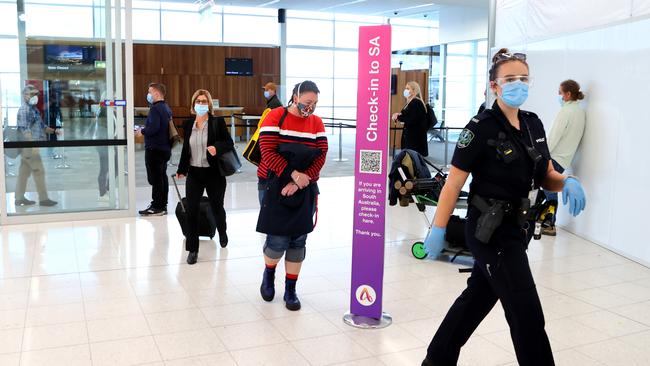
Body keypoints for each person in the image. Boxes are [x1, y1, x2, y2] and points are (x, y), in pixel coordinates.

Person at [420, 49, 587, 366]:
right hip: (490, 232)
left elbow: (545, 174)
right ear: (494, 86)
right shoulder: (480, 128)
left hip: (518, 228)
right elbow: (454, 184)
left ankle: (436, 360)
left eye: (523, 78)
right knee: (527, 315)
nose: (518, 85)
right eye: (510, 79)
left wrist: (567, 181)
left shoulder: (533, 124)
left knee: (476, 299)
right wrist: (438, 229)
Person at [257, 80, 328, 311]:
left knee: (298, 241)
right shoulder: (275, 116)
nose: (311, 107)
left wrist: (300, 181)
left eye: (315, 103)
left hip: (304, 187)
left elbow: (321, 155)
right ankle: (269, 275)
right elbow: (266, 151)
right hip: (275, 184)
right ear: (295, 97)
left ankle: (290, 289)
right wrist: (292, 175)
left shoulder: (316, 123)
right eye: (308, 102)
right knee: (277, 241)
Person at [175, 89, 233, 265]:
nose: (201, 104)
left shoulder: (217, 123)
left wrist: (217, 147)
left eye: (204, 101)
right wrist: (181, 169)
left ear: (209, 104)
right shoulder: (188, 124)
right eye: (198, 101)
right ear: (193, 105)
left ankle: (222, 232)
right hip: (194, 173)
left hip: (213, 173)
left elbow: (229, 143)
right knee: (191, 211)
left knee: (217, 207)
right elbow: (186, 149)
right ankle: (193, 249)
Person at [541, 79, 586, 236]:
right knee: (547, 189)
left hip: (554, 157)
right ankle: (546, 220)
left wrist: (542, 155)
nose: (558, 95)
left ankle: (549, 223)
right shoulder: (580, 112)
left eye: (560, 93)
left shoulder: (565, 112)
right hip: (565, 158)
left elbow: (553, 137)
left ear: (568, 94)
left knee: (548, 189)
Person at [15, 84, 59, 207]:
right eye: (32, 94)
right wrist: (33, 146)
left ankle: (19, 198)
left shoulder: (33, 109)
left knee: (23, 173)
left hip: (30, 146)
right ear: (25, 96)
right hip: (28, 146)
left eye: (36, 94)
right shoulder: (24, 110)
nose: (35, 96)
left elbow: (41, 127)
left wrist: (54, 131)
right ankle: (44, 199)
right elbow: (25, 130)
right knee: (39, 171)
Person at [136, 82, 172, 216]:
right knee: (162, 177)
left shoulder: (156, 109)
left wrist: (142, 131)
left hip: (155, 149)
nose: (148, 94)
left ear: (157, 93)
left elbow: (154, 128)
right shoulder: (166, 108)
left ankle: (157, 206)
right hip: (164, 148)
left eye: (150, 91)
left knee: (156, 178)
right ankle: (162, 204)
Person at [392, 81, 429, 156]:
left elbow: (411, 119)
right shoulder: (411, 102)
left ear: (414, 90)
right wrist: (399, 115)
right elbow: (409, 115)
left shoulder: (416, 102)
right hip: (410, 136)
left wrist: (398, 117)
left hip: (414, 139)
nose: (405, 90)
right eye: (405, 88)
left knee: (411, 160)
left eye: (408, 88)